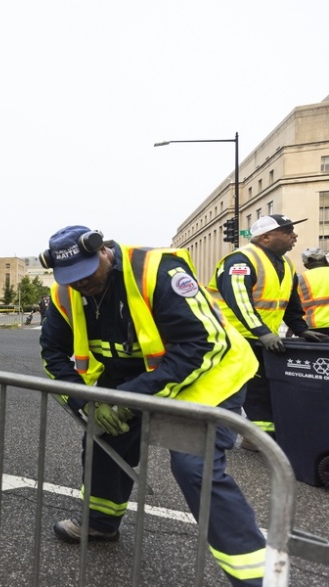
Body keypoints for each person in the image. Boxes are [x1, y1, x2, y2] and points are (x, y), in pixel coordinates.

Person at [40, 225, 266, 587]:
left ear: (103, 251)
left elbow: (200, 345)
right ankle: (100, 522)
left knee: (193, 466)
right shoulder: (66, 292)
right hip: (135, 377)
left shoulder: (157, 271)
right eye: (71, 278)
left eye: (87, 273)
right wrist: (88, 402)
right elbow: (53, 351)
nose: (81, 283)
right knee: (102, 438)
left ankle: (255, 575)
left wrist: (130, 399)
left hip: (206, 377)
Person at [207, 214, 329, 449]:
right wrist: (262, 331)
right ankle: (229, 439)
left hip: (258, 339)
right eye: (288, 231)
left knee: (262, 390)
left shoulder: (286, 264)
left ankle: (259, 437)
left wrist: (301, 329)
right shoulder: (241, 261)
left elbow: (289, 304)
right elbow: (239, 300)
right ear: (266, 237)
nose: (294, 236)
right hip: (231, 337)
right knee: (242, 390)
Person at [298, 246, 329, 335]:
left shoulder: (300, 279)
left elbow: (295, 306)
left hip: (313, 328)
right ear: (325, 259)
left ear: (305, 265)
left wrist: (294, 328)